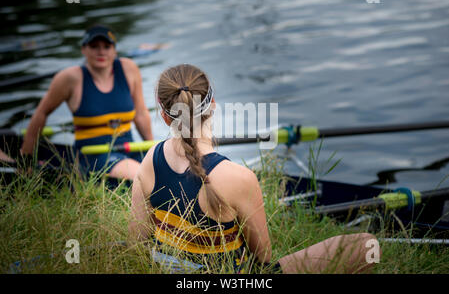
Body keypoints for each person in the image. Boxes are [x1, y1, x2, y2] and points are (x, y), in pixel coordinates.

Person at [128, 64, 380, 273]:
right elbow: (263, 256)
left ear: (164, 115)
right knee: (366, 245)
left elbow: (135, 244)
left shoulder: (151, 160)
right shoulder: (238, 177)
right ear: (213, 104)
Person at [20, 25, 153, 180]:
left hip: (130, 148)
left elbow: (141, 114)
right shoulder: (69, 78)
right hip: (92, 155)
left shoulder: (129, 68)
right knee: (145, 177)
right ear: (84, 50)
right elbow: (41, 113)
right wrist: (26, 159)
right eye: (94, 46)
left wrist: (151, 149)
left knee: (167, 167)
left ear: (114, 50)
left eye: (106, 46)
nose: (101, 52)